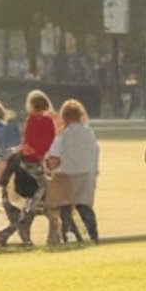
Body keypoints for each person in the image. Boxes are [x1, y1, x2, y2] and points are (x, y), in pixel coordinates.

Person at [46, 98, 100, 244]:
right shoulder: (89, 132)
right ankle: (92, 236)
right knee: (84, 206)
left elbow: (54, 157)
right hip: (87, 173)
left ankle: (68, 236)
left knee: (66, 207)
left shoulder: (64, 134)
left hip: (66, 174)